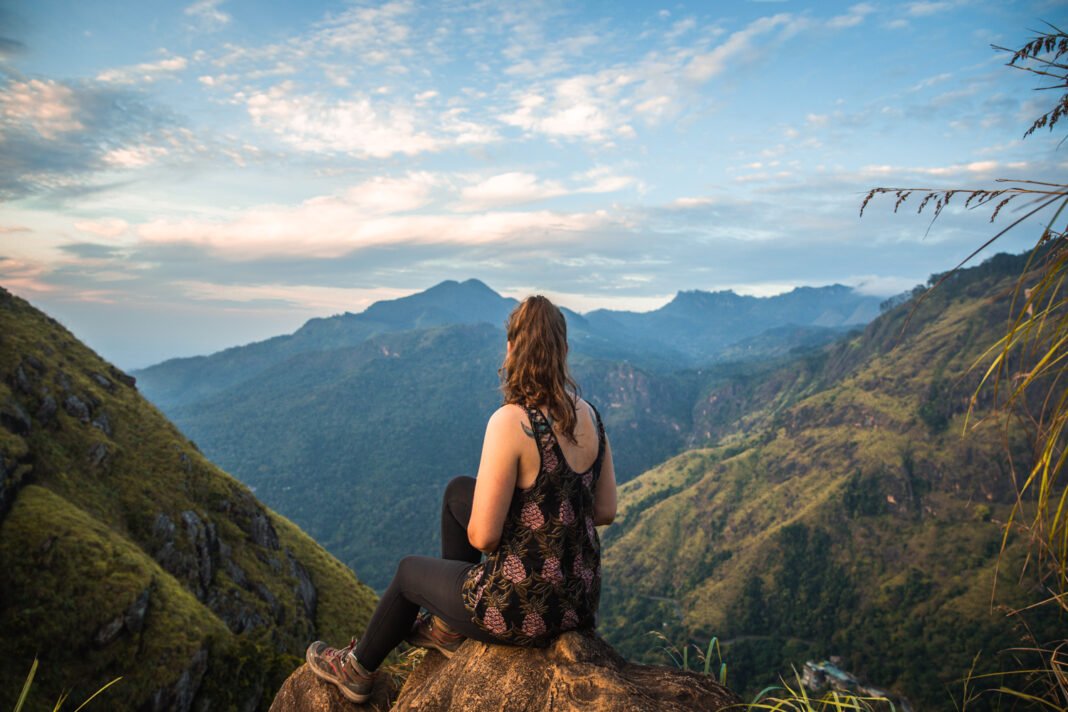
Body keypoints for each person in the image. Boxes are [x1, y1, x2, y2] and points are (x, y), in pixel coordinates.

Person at [304, 295, 618, 703]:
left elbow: (484, 538)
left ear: (511, 348)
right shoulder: (590, 414)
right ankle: (449, 628)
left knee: (408, 574)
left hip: (523, 609)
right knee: (458, 491)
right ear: (563, 350)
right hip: (578, 601)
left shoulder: (512, 421)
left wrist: (508, 525)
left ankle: (357, 669)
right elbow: (605, 510)